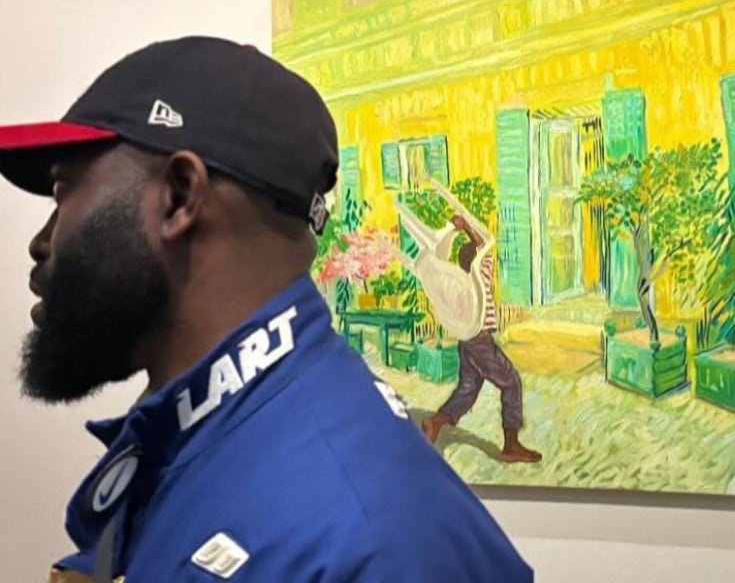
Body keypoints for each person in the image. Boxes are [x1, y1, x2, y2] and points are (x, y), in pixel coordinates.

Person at [0, 36, 533, 582]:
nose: (41, 242)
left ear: (180, 198)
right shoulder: (196, 435)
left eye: (64, 192)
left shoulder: (385, 543)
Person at [391, 184, 541, 464]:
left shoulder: (461, 284)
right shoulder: (478, 275)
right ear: (476, 260)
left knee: (468, 388)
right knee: (511, 384)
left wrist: (456, 229)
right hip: (480, 341)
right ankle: (511, 445)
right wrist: (466, 229)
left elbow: (478, 250)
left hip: (467, 342)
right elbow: (484, 245)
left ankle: (435, 423)